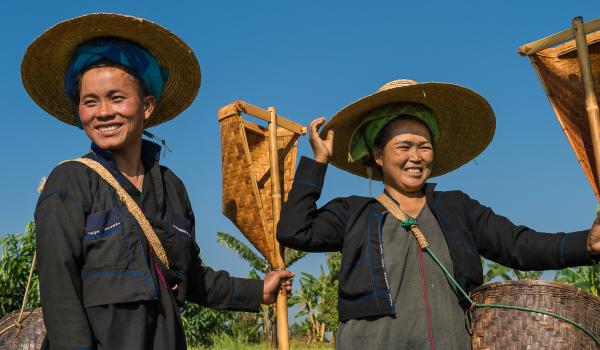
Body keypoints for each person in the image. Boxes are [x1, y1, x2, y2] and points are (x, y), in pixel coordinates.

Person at [23, 13, 292, 350]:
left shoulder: (172, 188)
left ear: (147, 106)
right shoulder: (70, 182)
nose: (103, 112)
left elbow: (191, 278)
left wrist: (258, 291)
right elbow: (59, 292)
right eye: (90, 102)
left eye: (117, 97)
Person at [277, 79, 600, 349]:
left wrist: (587, 244)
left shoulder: (458, 208)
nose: (415, 157)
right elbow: (295, 231)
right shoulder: (354, 213)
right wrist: (317, 162)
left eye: (424, 146)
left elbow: (519, 245)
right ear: (378, 155)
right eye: (403, 146)